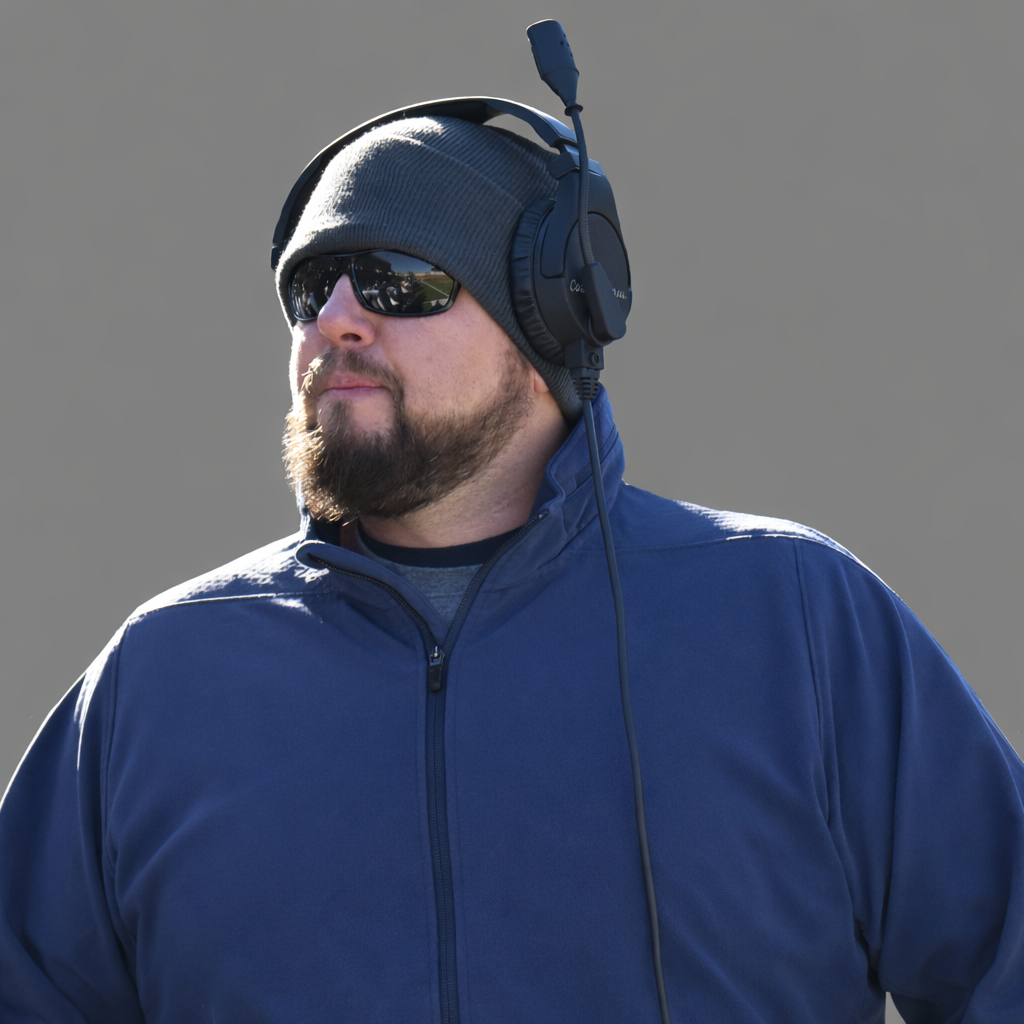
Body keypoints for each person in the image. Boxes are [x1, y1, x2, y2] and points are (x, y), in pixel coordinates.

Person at [1, 111, 1022, 1024]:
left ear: (550, 319)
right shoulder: (164, 671)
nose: (336, 321)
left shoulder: (795, 616)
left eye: (402, 278)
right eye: (313, 288)